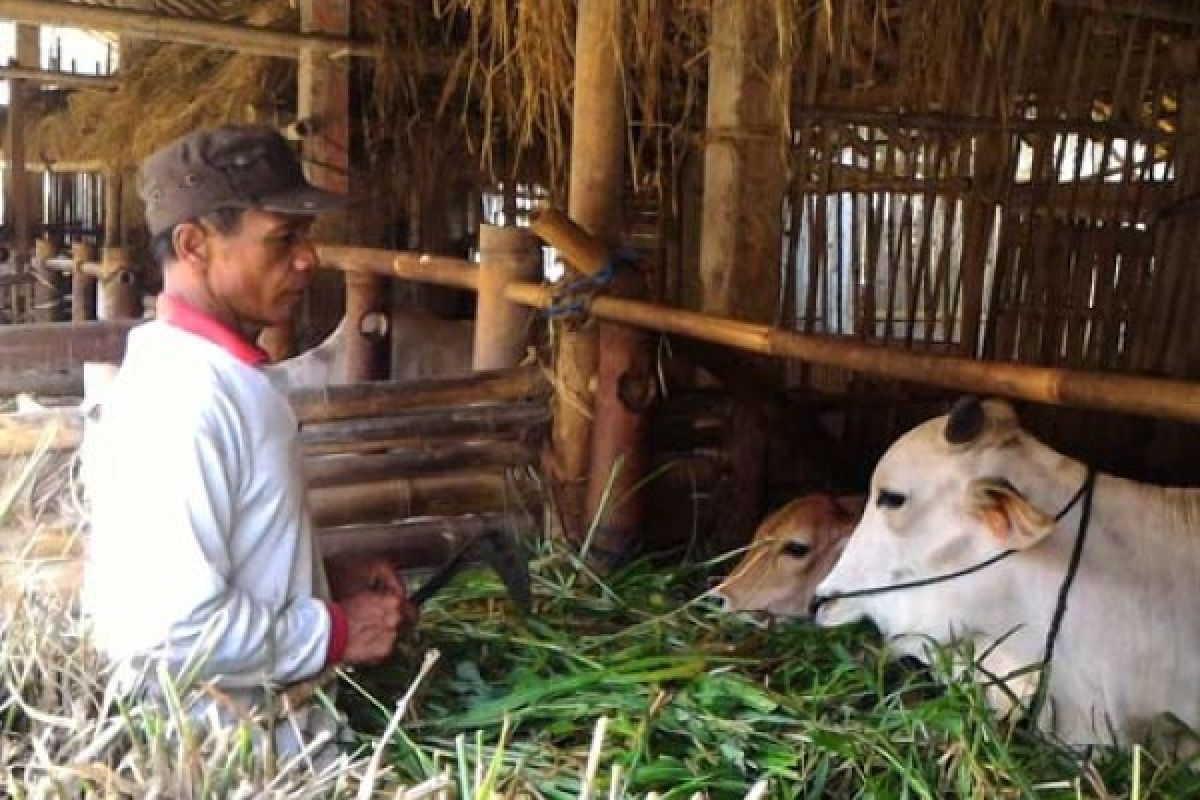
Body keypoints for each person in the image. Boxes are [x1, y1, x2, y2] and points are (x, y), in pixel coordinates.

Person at [82, 124, 416, 755]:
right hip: (228, 756)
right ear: (195, 244)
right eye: (282, 238)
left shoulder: (219, 376)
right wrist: (334, 631)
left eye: (305, 237)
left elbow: (213, 562)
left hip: (266, 733)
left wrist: (317, 578)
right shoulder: (183, 399)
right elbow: (175, 631)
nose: (308, 257)